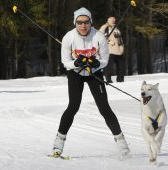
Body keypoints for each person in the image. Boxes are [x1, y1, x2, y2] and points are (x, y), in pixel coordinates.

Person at [52, 7, 130, 157]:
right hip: (75, 74)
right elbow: (65, 62)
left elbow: (105, 60)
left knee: (104, 108)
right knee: (73, 106)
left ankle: (122, 144)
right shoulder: (69, 37)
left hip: (94, 73)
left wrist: (96, 64)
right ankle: (58, 144)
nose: (83, 25)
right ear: (75, 23)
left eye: (86, 22)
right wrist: (76, 63)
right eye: (79, 22)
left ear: (90, 22)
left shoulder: (99, 36)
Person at [99, 17, 125, 83]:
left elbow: (120, 39)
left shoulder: (116, 29)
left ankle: (120, 80)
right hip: (109, 50)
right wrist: (109, 41)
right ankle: (108, 80)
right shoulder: (105, 27)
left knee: (121, 67)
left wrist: (122, 47)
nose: (113, 21)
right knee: (109, 67)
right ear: (108, 20)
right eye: (111, 20)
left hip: (119, 51)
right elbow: (100, 36)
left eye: (114, 20)